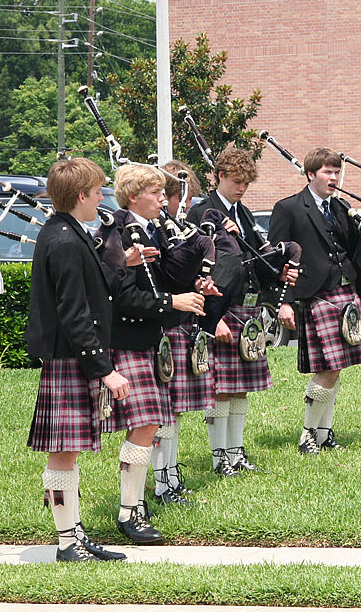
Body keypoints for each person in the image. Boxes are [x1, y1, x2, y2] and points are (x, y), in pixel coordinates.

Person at [29, 158, 195, 559]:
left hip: (70, 358)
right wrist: (104, 370)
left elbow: (94, 286)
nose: (104, 195)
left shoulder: (67, 233)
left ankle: (72, 536)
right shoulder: (66, 241)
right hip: (69, 358)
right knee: (64, 450)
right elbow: (73, 311)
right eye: (100, 189)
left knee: (67, 449)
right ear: (82, 195)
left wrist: (122, 262)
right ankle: (68, 542)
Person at [271, 148, 361, 448]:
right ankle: (308, 435)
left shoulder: (341, 208)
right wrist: (285, 301)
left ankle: (324, 433)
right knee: (328, 368)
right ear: (310, 175)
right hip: (315, 294)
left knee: (337, 366)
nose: (334, 177)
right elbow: (280, 261)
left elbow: (355, 248)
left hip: (346, 291)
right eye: (328, 172)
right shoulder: (288, 208)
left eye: (337, 172)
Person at [190, 147, 274, 476]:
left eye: (247, 184)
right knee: (221, 386)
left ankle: (236, 452)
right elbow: (197, 266)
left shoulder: (245, 213)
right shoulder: (202, 212)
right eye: (237, 181)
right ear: (220, 175)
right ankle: (218, 456)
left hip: (244, 304)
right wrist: (216, 318)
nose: (242, 188)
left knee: (241, 385)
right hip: (219, 306)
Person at [146, 162, 216, 501]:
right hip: (160, 326)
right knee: (163, 411)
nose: (185, 206)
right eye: (180, 198)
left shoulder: (176, 229)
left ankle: (171, 478)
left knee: (172, 410)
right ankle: (161, 485)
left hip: (178, 323)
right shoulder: (153, 232)